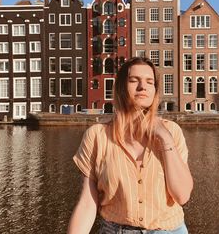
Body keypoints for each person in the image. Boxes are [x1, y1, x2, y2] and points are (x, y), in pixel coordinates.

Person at [68, 57, 193, 234]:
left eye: (150, 82)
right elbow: (87, 203)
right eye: (134, 80)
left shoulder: (172, 131)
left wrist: (165, 138)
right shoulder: (97, 136)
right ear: (120, 88)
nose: (143, 86)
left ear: (155, 90)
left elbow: (182, 195)